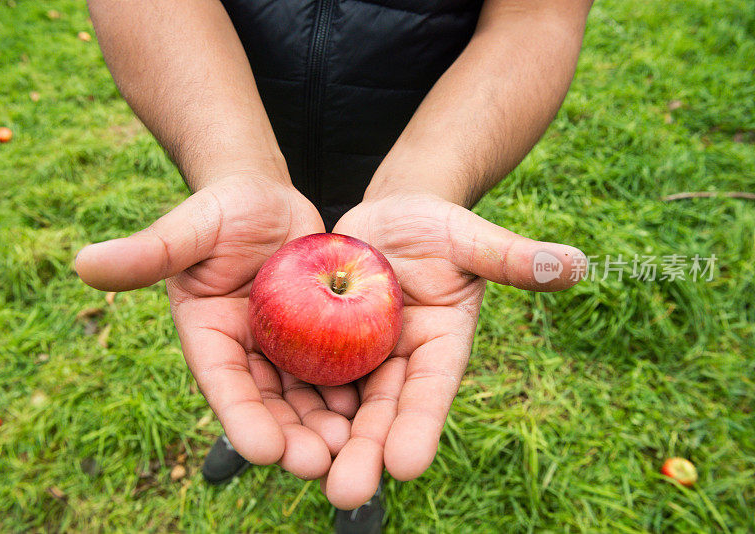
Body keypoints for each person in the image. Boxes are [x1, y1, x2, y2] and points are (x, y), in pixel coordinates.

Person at [75, 0, 592, 531]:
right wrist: (234, 161)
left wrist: (427, 181)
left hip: (422, 130)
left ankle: (356, 478)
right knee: (251, 323)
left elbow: (536, 15)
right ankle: (259, 401)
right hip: (233, 104)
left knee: (375, 402)